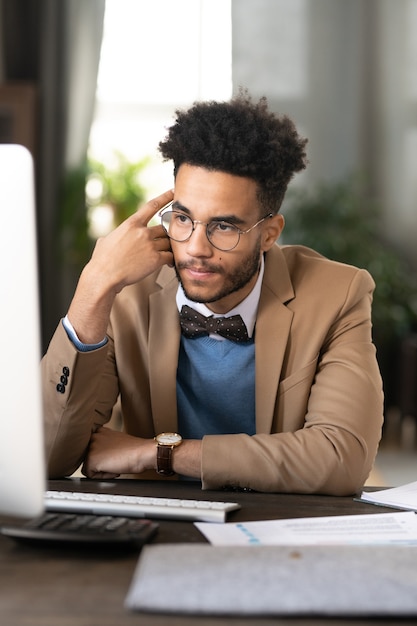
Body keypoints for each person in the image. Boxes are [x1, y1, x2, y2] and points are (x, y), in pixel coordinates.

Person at [42, 91, 383, 495]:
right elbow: (46, 458)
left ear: (269, 234)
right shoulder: (126, 295)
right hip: (156, 531)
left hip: (279, 528)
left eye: (224, 227)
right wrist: (93, 286)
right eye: (183, 218)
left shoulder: (338, 295)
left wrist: (160, 454)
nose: (196, 247)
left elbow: (341, 459)